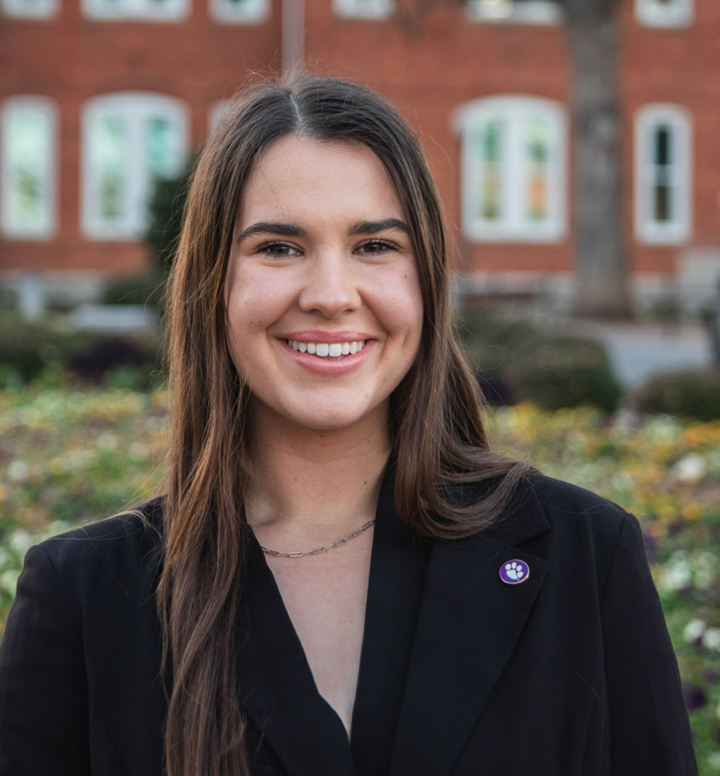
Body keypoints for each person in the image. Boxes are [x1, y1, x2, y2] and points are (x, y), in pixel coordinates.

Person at [0, 74, 697, 776]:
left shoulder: (584, 555)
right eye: (278, 247)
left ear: (425, 278)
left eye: (374, 246)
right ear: (214, 283)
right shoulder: (84, 598)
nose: (332, 296)